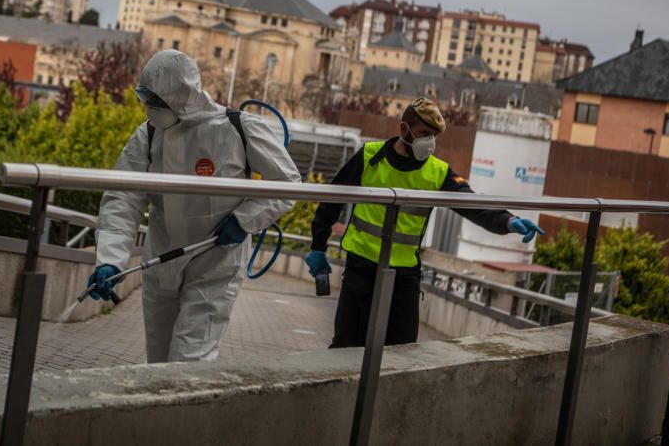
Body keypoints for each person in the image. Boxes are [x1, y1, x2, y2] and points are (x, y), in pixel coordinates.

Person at [88, 50, 301, 363]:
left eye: (157, 101)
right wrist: (111, 259)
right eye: (146, 100)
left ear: (182, 95)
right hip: (161, 261)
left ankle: (183, 411)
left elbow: (286, 182)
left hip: (215, 263)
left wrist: (244, 221)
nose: (150, 109)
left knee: (190, 360)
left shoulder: (237, 129)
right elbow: (123, 198)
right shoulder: (147, 136)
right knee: (159, 361)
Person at [304, 98, 544, 348]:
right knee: (347, 345)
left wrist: (507, 220)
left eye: (434, 136)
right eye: (424, 134)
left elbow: (471, 204)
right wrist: (318, 246)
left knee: (403, 351)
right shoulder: (369, 156)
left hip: (404, 274)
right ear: (403, 129)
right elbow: (333, 199)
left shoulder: (438, 173)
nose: (429, 142)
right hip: (361, 268)